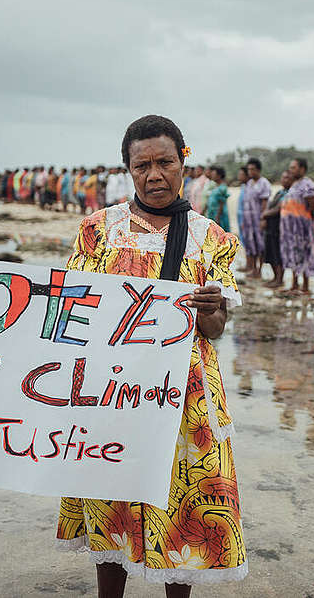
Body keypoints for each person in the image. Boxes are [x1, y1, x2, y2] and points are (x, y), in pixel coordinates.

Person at [55, 115, 246, 596]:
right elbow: (73, 313)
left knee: (181, 508)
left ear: (185, 159)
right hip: (113, 394)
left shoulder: (211, 238)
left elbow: (217, 329)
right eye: (142, 165)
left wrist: (207, 311)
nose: (154, 175)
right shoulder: (100, 230)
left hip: (186, 400)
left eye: (165, 161)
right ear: (128, 170)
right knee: (111, 503)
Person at [280, 157, 314, 295]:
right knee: (294, 254)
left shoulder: (307, 184)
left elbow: (312, 205)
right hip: (290, 231)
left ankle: (305, 286)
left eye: (294, 167)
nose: (291, 170)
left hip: (302, 229)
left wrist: (309, 225)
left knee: (304, 255)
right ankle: (294, 284)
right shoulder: (294, 185)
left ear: (302, 169)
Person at [241, 158, 271, 277]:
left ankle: (259, 269)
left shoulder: (264, 183)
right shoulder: (249, 183)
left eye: (252, 169)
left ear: (258, 170)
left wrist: (263, 218)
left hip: (258, 219)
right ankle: (252, 268)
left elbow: (264, 202)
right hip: (248, 220)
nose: (250, 172)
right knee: (250, 243)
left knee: (260, 245)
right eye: (248, 169)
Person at [261, 170, 291, 288]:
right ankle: (275, 277)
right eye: (283, 178)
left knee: (278, 254)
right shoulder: (280, 192)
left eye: (287, 178)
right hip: (271, 226)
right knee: (271, 253)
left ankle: (279, 279)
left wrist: (264, 215)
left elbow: (278, 209)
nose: (284, 180)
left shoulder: (289, 194)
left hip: (279, 227)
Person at [204, 165, 231, 231]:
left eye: (214, 174)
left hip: (219, 216)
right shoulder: (215, 186)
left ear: (219, 176)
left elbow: (221, 203)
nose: (212, 176)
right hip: (212, 214)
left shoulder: (222, 188)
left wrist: (217, 217)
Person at [236, 166, 250, 254]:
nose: (239, 177)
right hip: (241, 217)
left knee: (249, 240)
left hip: (247, 218)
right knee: (243, 238)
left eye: (241, 175)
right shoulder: (243, 186)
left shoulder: (250, 187)